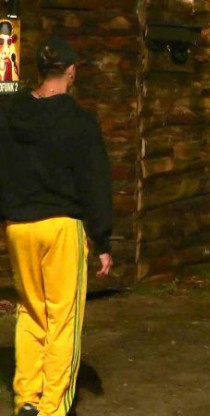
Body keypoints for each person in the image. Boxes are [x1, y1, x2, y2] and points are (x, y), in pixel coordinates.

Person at [0, 35, 113, 416]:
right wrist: (102, 240)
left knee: (31, 312)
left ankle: (27, 398)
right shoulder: (79, 122)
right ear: (72, 72)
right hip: (61, 228)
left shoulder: (9, 115)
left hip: (19, 227)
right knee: (62, 319)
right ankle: (52, 407)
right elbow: (95, 182)